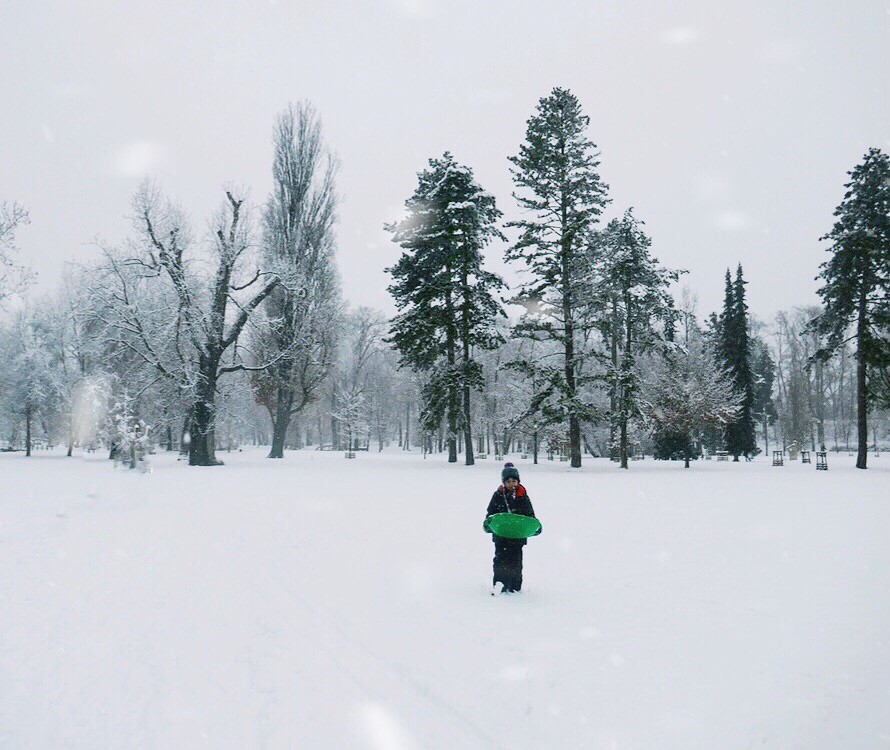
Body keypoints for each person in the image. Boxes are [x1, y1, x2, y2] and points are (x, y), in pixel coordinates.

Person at [483, 462, 540, 594]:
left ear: (518, 481)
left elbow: (530, 515)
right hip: (501, 536)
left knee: (516, 561)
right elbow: (491, 513)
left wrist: (532, 526)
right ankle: (500, 584)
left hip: (518, 536)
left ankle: (515, 586)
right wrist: (490, 523)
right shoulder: (498, 495)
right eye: (508, 481)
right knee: (500, 561)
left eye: (514, 481)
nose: (511, 484)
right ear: (504, 482)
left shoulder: (523, 496)